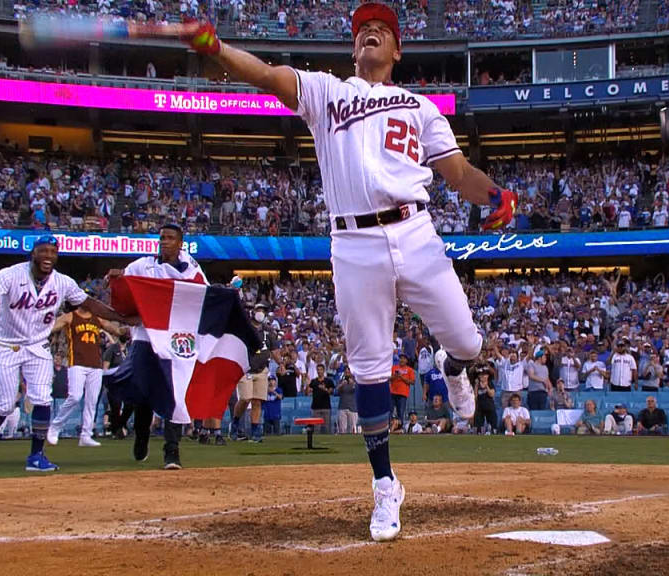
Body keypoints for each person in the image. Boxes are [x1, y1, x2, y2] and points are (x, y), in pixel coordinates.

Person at [172, 4, 518, 541]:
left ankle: (454, 367)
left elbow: (457, 173)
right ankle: (385, 486)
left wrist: (495, 195)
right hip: (353, 242)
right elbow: (266, 75)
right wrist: (216, 50)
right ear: (353, 47)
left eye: (382, 28)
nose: (371, 32)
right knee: (370, 370)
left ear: (398, 49)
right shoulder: (327, 92)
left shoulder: (422, 107)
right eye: (362, 29)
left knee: (470, 342)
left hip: (415, 231)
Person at [0, 236, 133, 472]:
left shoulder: (62, 282)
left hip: (37, 345)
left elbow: (91, 304)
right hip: (5, 345)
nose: (48, 256)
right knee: (3, 405)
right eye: (43, 251)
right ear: (33, 253)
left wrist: (120, 317)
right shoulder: (10, 274)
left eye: (53, 252)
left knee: (42, 398)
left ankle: (36, 456)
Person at [106, 223, 206, 469]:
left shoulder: (191, 269)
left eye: (170, 238)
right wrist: (117, 280)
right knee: (142, 391)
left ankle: (172, 450)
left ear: (180, 243)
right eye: (162, 237)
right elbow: (125, 294)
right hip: (145, 336)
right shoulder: (142, 265)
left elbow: (203, 295)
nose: (165, 242)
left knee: (175, 391)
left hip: (175, 338)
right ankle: (141, 435)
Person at [48, 297, 126, 447]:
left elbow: (116, 330)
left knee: (92, 400)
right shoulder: (70, 316)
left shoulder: (97, 318)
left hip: (95, 364)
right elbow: (52, 327)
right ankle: (55, 427)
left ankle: (86, 434)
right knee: (75, 396)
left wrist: (131, 324)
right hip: (76, 362)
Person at [231, 303, 280, 443]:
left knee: (257, 401)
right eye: (258, 310)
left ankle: (255, 430)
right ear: (252, 312)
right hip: (246, 369)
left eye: (263, 310)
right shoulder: (245, 329)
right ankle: (235, 422)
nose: (261, 313)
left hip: (261, 369)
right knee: (245, 398)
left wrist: (281, 363)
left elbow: (274, 351)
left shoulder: (268, 332)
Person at [308, 364, 334, 434]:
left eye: (321, 370)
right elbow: (307, 392)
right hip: (316, 407)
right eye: (318, 370)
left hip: (326, 407)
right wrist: (307, 386)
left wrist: (324, 389)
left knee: (326, 428)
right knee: (316, 429)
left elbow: (331, 392)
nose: (319, 371)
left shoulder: (328, 381)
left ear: (323, 370)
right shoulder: (313, 381)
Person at [389, 354, 414, 428]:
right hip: (392, 392)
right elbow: (389, 378)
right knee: (390, 411)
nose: (402, 360)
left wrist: (401, 377)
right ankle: (390, 427)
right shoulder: (394, 367)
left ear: (406, 360)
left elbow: (412, 382)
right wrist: (395, 376)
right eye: (400, 358)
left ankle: (399, 428)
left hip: (403, 393)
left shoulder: (409, 369)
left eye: (404, 359)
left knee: (400, 412)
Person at [472, 368, 498, 434]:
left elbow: (492, 394)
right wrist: (476, 386)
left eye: (484, 375)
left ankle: (492, 430)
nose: (483, 377)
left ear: (487, 376)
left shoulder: (490, 383)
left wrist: (486, 386)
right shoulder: (476, 384)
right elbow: (475, 397)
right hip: (479, 406)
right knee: (478, 427)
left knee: (492, 425)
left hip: (489, 406)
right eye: (481, 375)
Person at [336, 368, 358, 434]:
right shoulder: (341, 381)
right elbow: (336, 391)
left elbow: (360, 391)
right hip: (342, 407)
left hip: (353, 408)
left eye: (349, 372)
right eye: (346, 372)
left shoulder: (356, 381)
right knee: (342, 429)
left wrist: (353, 384)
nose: (347, 374)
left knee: (352, 429)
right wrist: (341, 385)